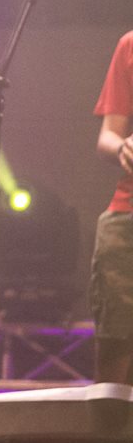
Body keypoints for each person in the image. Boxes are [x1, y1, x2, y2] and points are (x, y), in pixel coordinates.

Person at [91, 30, 133, 384]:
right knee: (115, 346)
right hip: (127, 215)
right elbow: (107, 136)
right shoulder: (130, 45)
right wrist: (122, 148)